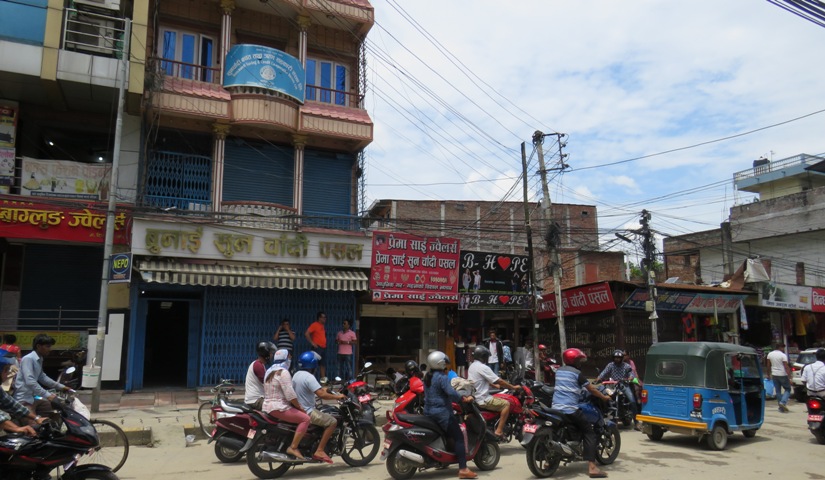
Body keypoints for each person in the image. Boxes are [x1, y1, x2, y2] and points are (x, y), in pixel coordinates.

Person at [555, 348, 611, 478]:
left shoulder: (559, 371)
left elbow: (568, 387)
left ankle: (549, 463)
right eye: (579, 360)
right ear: (574, 360)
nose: (580, 362)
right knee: (589, 432)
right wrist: (604, 397)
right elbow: (591, 389)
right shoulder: (577, 374)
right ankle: (592, 468)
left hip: (556, 407)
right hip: (570, 409)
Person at [423, 350, 477, 479]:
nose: (446, 366)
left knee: (444, 434)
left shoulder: (427, 376)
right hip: (441, 413)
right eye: (445, 363)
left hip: (428, 411)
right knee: (458, 437)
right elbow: (451, 393)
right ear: (440, 363)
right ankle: (463, 469)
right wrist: (463, 398)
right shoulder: (441, 377)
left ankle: (443, 460)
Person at [292, 351, 346, 464]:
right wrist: (338, 396)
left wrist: (325, 390)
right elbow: (322, 395)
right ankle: (320, 450)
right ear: (313, 365)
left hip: (298, 409)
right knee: (332, 421)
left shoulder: (296, 375)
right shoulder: (309, 377)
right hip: (308, 411)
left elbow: (317, 390)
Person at [262, 349, 310, 460]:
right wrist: (300, 407)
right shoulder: (283, 372)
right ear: (285, 358)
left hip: (267, 406)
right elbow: (290, 394)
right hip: (279, 407)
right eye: (289, 356)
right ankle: (293, 447)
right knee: (305, 419)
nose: (290, 358)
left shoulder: (269, 371)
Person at [467, 345, 521, 439]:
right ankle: (499, 431)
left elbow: (481, 380)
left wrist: (494, 386)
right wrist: (513, 387)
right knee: (506, 404)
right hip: (483, 399)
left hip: (475, 397)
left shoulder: (472, 366)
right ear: (483, 356)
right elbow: (499, 380)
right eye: (486, 356)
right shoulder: (483, 367)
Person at [13, 334, 72, 417]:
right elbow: (30, 381)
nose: (50, 349)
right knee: (33, 424)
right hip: (24, 398)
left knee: (52, 411)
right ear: (38, 346)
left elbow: (42, 377)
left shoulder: (39, 359)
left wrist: (61, 386)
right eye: (47, 346)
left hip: (33, 397)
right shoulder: (28, 359)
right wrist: (47, 395)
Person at [0, 349, 44, 436]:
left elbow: (11, 404)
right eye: (6, 370)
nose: (8, 373)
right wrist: (16, 428)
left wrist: (37, 418)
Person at [595, 349, 639, 429]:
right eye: (615, 357)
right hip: (612, 385)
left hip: (623, 385)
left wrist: (630, 378)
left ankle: (636, 422)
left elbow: (631, 374)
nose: (617, 359)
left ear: (622, 358)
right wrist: (598, 379)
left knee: (632, 401)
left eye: (619, 358)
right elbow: (603, 373)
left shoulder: (626, 366)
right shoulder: (610, 365)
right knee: (601, 396)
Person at [245, 341, 275, 410]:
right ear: (265, 353)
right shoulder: (258, 365)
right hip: (255, 400)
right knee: (277, 408)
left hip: (257, 399)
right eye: (270, 353)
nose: (272, 355)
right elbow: (267, 383)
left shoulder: (260, 364)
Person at [767, 343, 793, 412]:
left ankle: (781, 407)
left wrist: (768, 374)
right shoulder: (783, 355)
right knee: (788, 389)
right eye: (783, 348)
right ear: (780, 347)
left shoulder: (770, 354)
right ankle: (783, 402)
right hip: (782, 374)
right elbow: (786, 366)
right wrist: (790, 377)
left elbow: (768, 365)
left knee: (778, 391)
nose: (783, 349)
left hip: (774, 374)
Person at [305, 312, 328, 381]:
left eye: (325, 317)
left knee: (322, 365)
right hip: (317, 348)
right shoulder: (315, 325)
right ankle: (310, 380)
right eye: (323, 317)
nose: (325, 319)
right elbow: (306, 334)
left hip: (323, 347)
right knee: (313, 365)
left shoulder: (322, 326)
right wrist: (312, 343)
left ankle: (323, 381)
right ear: (319, 318)